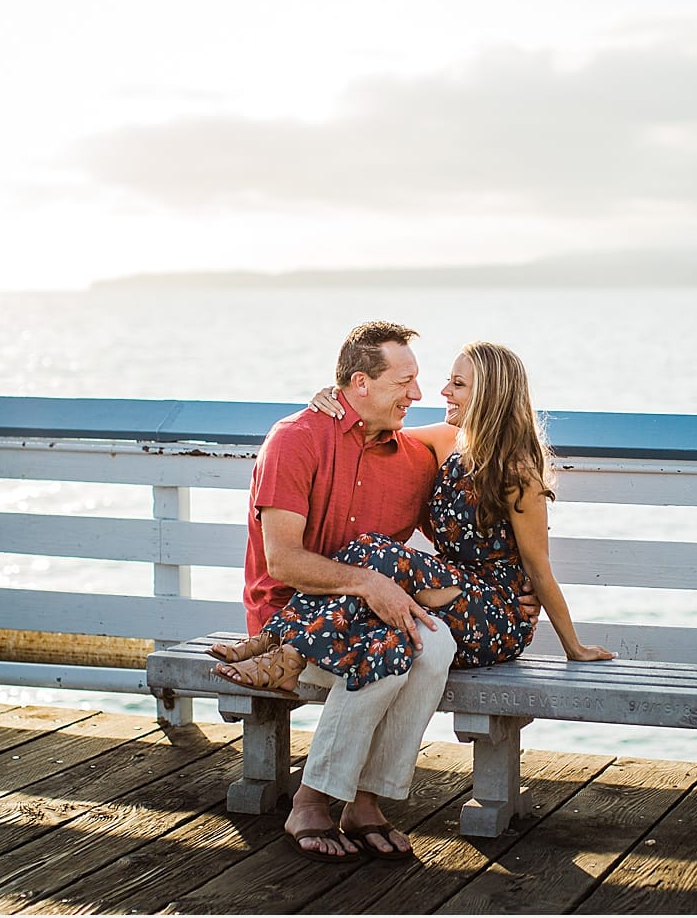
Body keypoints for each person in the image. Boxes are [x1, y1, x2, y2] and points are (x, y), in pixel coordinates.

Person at [214, 342, 614, 848]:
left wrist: (572, 644)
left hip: (492, 610)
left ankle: (287, 651)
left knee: (379, 563)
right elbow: (371, 432)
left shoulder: (509, 471)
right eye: (414, 382)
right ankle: (345, 803)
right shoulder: (437, 442)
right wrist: (330, 399)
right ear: (360, 382)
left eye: (456, 384)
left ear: (489, 395)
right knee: (415, 643)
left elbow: (538, 565)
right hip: (427, 603)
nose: (433, 392)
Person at [222, 320, 454, 864]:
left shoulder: (416, 459)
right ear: (360, 382)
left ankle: (366, 800)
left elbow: (475, 437)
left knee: (436, 642)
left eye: (418, 381)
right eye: (404, 381)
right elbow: (283, 560)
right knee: (393, 653)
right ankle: (312, 800)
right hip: (288, 629)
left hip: (363, 617)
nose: (416, 395)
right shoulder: (297, 438)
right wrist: (371, 583)